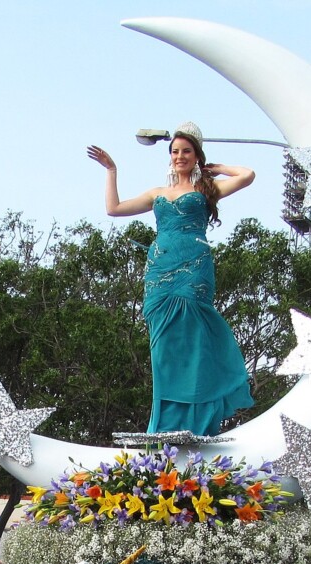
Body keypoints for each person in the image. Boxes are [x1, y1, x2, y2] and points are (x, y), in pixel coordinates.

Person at [88, 124, 255, 437]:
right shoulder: (157, 194)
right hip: (160, 274)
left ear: (196, 156)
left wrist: (217, 168)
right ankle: (163, 425)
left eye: (186, 151)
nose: (180, 156)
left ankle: (197, 420)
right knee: (163, 348)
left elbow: (247, 175)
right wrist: (111, 170)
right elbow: (114, 209)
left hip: (194, 269)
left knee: (194, 342)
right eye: (175, 151)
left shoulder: (206, 190)